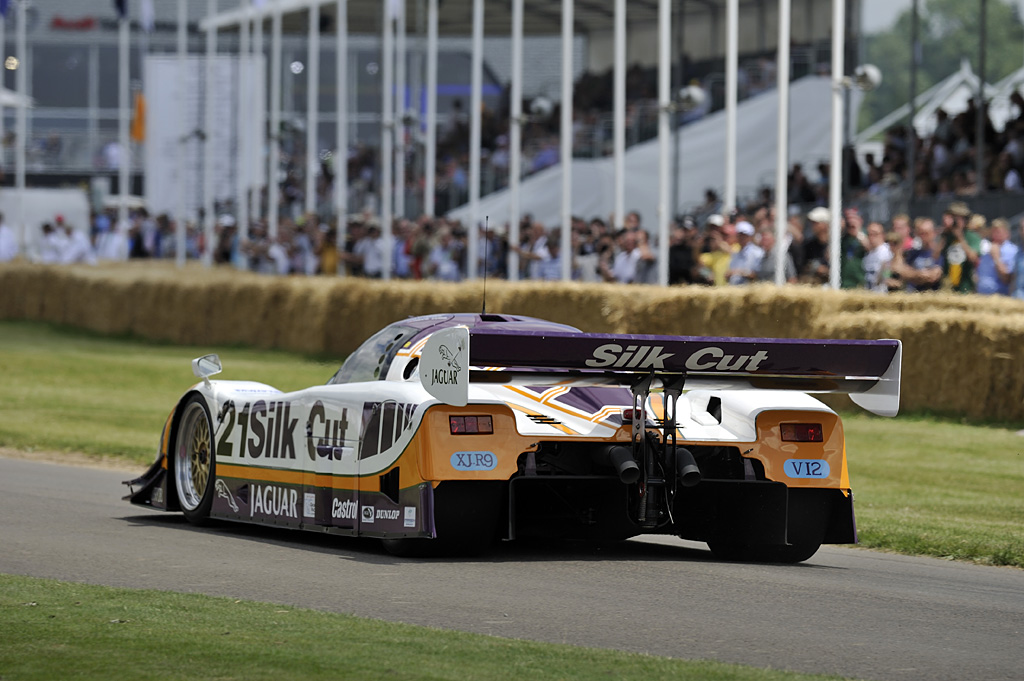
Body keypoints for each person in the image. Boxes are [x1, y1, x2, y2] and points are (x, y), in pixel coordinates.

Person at [940, 202, 981, 293]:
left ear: (965, 220)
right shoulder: (946, 236)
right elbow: (934, 256)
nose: (956, 221)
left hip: (965, 287)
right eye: (953, 217)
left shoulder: (972, 236)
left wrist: (960, 238)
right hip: (948, 287)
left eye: (959, 218)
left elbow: (973, 258)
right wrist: (945, 234)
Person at [896, 217, 942, 292]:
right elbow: (902, 272)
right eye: (921, 233)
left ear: (934, 233)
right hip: (913, 294)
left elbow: (933, 276)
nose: (923, 236)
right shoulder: (913, 253)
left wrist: (913, 275)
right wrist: (919, 274)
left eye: (926, 233)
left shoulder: (938, 253)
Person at [976, 218, 1017, 295]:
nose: (995, 235)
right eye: (993, 232)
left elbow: (1007, 278)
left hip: (999, 296)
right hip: (981, 295)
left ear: (1007, 233)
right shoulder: (987, 248)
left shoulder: (1012, 251)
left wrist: (996, 257)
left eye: (998, 232)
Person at [726, 220, 763, 285]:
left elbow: (758, 274)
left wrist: (739, 272)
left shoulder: (757, 253)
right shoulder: (735, 254)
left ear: (750, 237)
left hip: (750, 290)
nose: (742, 238)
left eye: (744, 236)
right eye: (740, 235)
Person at [861, 221, 893, 293]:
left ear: (882, 235)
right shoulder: (869, 254)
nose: (871, 237)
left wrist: (883, 277)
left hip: (882, 294)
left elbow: (887, 272)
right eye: (869, 234)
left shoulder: (886, 251)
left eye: (875, 234)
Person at [839, 209, 867, 289]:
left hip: (859, 280)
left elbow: (869, 248)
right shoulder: (843, 238)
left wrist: (857, 232)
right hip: (844, 281)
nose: (850, 223)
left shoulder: (865, 234)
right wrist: (839, 230)